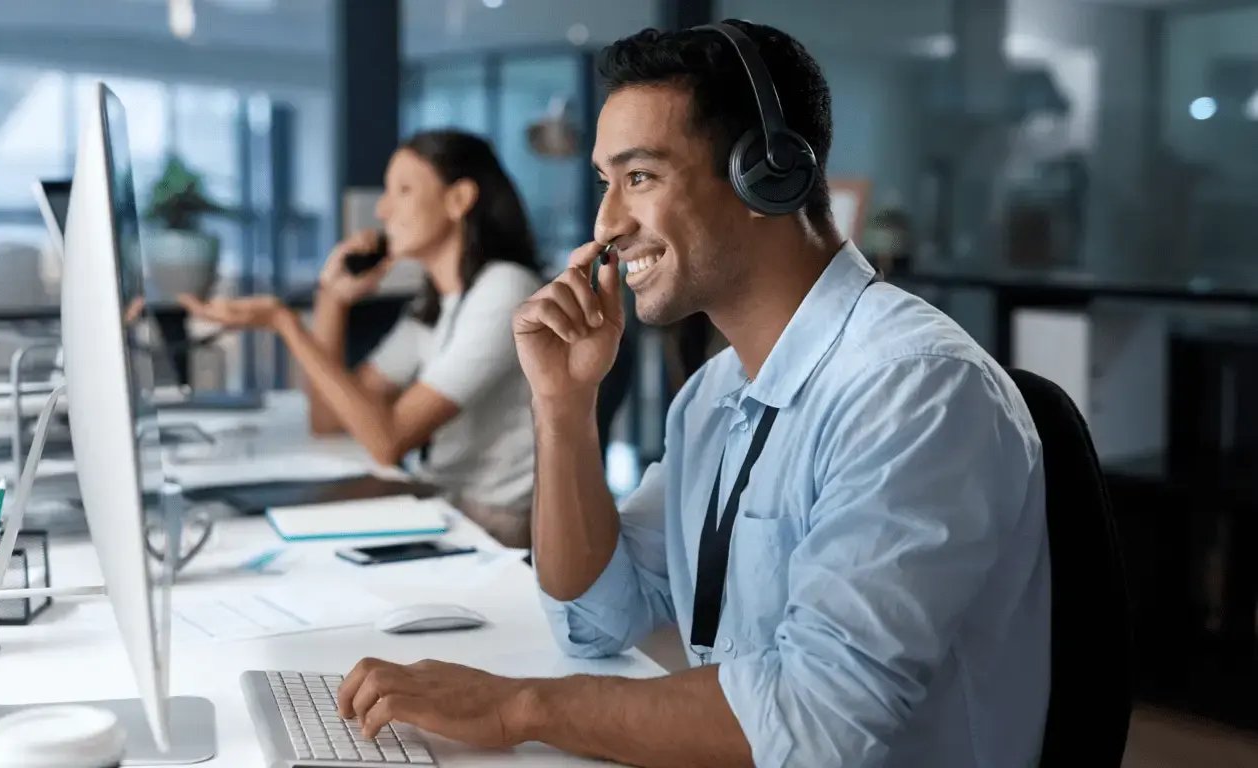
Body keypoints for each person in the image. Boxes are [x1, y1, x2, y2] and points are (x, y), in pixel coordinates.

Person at [332, 20, 1050, 768]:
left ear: (767, 176)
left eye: (640, 178)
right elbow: (595, 616)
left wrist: (518, 707)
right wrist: (562, 408)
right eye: (605, 184)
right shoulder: (714, 395)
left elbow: (812, 724)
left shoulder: (912, 391)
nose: (607, 224)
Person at [180, 130, 543, 548]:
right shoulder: (436, 301)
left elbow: (387, 440)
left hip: (492, 526)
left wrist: (287, 323)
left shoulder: (505, 291)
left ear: (458, 200)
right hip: (442, 505)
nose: (384, 211)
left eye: (403, 191)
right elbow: (330, 421)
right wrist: (332, 301)